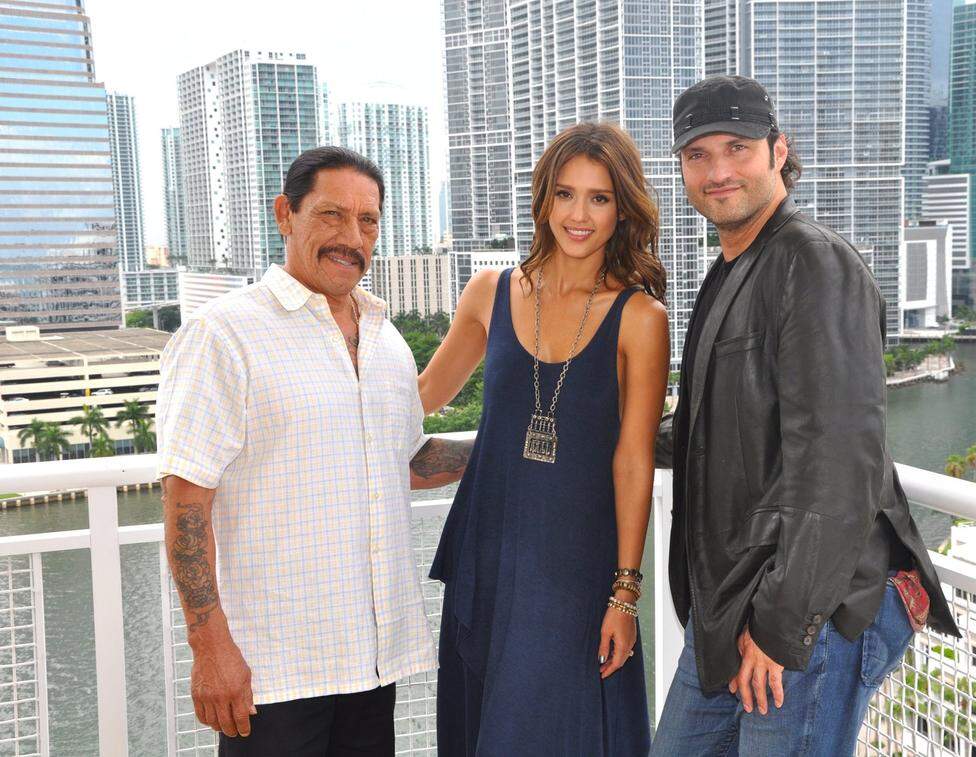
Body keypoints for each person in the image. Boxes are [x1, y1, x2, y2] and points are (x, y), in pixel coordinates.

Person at [649, 76, 961, 756]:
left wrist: (783, 626)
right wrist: (608, 433)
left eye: (737, 148)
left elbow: (838, 464)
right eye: (698, 155)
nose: (719, 170)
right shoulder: (730, 270)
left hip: (806, 611)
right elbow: (713, 433)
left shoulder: (812, 262)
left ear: (777, 150)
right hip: (735, 602)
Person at [156, 146, 472, 756]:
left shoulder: (386, 340)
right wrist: (209, 647)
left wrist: (508, 448)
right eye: (331, 215)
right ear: (285, 214)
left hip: (371, 662)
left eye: (368, 220)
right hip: (273, 671)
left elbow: (406, 461)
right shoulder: (224, 333)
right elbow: (185, 500)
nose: (351, 236)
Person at [420, 121, 669, 755]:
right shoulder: (489, 292)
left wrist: (625, 592)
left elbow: (634, 462)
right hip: (487, 550)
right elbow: (419, 398)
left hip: (575, 568)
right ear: (543, 200)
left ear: (623, 209)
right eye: (565, 194)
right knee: (480, 728)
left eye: (599, 197)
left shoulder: (641, 319)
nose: (578, 215)